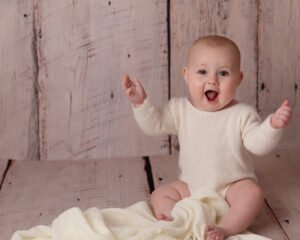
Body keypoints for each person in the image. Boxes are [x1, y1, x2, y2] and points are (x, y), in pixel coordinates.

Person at [121, 35, 292, 240]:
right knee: (160, 194)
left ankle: (225, 228)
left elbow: (257, 144)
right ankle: (174, 221)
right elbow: (154, 125)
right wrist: (141, 104)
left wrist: (272, 126)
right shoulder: (179, 109)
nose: (212, 80)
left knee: (253, 194)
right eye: (202, 72)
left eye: (223, 73)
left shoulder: (241, 114)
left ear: (239, 78)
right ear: (187, 75)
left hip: (231, 187)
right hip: (192, 187)